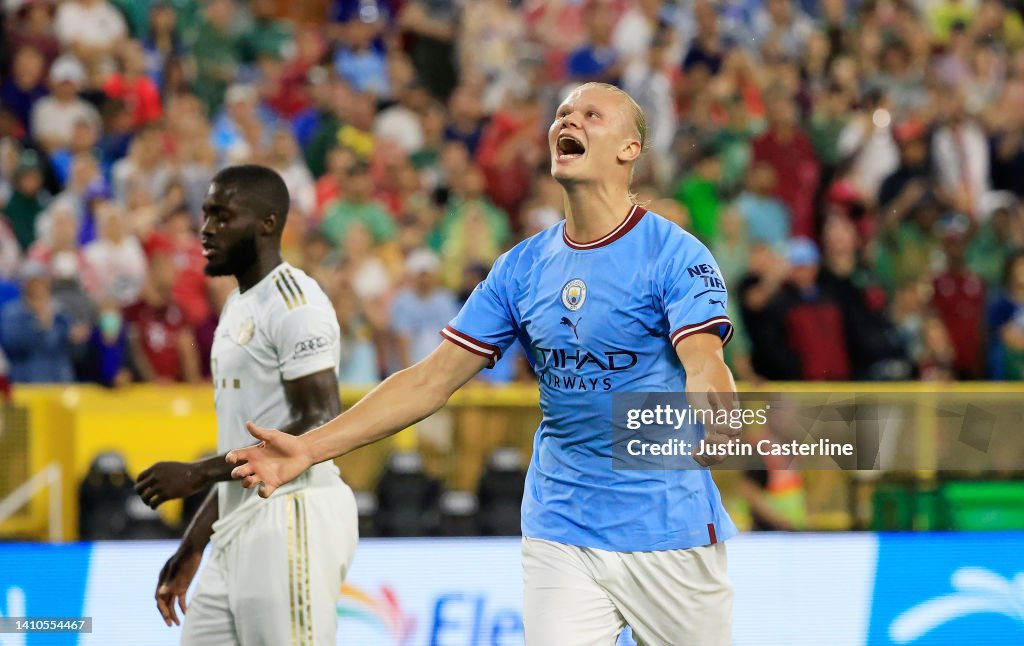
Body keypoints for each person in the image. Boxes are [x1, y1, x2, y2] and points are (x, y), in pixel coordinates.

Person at [227, 83, 738, 645]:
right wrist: (308, 448)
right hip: (562, 525)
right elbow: (428, 380)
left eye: (592, 114)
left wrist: (718, 414)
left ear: (629, 149)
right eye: (564, 111)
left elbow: (704, 360)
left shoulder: (675, 254)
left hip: (667, 526)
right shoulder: (521, 269)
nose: (569, 119)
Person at [133, 165, 358, 645]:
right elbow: (248, 437)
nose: (206, 229)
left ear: (267, 224)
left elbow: (320, 418)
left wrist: (196, 474)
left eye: (222, 216)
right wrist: (194, 543)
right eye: (205, 215)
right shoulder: (239, 303)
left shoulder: (296, 302)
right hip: (237, 527)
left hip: (292, 515)